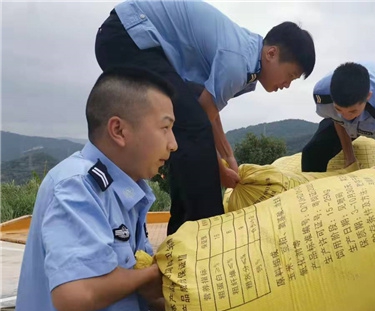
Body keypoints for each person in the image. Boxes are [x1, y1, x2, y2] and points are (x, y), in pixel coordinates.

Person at [6, 67, 176, 311]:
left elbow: (136, 281)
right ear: (119, 130)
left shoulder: (126, 193)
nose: (173, 143)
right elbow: (76, 294)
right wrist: (151, 275)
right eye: (165, 128)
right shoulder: (77, 187)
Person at [95, 0, 316, 235]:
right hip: (128, 36)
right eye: (290, 75)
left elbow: (208, 113)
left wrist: (230, 160)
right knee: (190, 126)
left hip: (133, 38)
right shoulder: (237, 61)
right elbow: (200, 120)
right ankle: (203, 232)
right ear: (271, 53)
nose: (287, 85)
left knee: (188, 122)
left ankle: (186, 231)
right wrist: (220, 172)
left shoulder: (247, 57)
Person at [301, 61, 375, 191]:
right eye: (339, 109)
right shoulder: (322, 95)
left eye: (353, 111)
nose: (347, 117)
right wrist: (350, 158)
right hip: (348, 103)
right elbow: (338, 120)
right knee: (313, 151)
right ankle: (314, 193)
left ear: (368, 97)